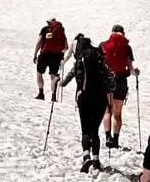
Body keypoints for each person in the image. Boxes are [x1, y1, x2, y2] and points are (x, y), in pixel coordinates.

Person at [66, 34, 111, 174]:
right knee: (94, 130)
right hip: (100, 98)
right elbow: (110, 80)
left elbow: (75, 76)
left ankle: (86, 157)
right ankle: (96, 160)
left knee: (85, 129)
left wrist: (61, 83)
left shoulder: (80, 59)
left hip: (84, 97)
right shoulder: (100, 57)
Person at [101, 25, 137, 150]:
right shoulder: (127, 47)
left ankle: (108, 137)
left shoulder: (103, 45)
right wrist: (136, 73)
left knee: (107, 111)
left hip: (106, 81)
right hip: (121, 81)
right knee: (117, 114)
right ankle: (115, 141)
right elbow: (131, 70)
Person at [35, 18, 68, 101]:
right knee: (53, 76)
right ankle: (53, 97)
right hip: (56, 56)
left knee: (39, 73)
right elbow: (66, 46)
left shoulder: (45, 29)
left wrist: (35, 54)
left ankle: (41, 93)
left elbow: (39, 42)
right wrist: (61, 54)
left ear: (48, 22)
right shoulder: (61, 31)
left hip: (44, 55)